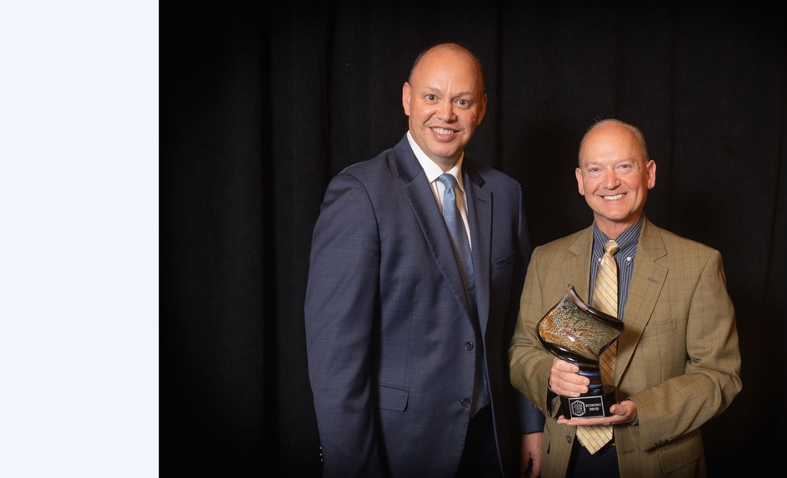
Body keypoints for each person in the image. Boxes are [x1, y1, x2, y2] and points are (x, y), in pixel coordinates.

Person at [304, 43, 543, 478]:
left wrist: (532, 427)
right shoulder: (359, 195)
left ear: (482, 109)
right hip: (401, 450)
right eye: (432, 97)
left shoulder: (506, 195)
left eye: (462, 101)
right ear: (407, 99)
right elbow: (335, 364)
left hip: (491, 442)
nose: (446, 114)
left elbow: (521, 327)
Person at [508, 119, 742, 478]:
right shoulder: (546, 259)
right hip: (564, 459)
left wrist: (641, 411)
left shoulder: (698, 264)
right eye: (595, 169)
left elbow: (719, 375)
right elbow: (522, 349)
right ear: (580, 181)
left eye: (624, 166)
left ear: (649, 174)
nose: (610, 181)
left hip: (655, 459)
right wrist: (548, 377)